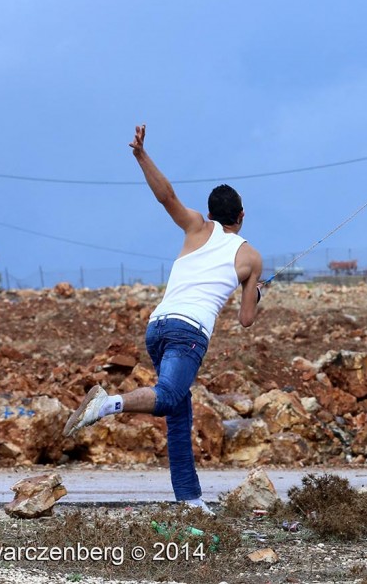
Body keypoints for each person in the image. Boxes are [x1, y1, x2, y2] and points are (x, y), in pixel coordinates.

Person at [64, 123, 264, 514]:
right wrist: (255, 289)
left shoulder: (195, 226)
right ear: (241, 216)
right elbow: (245, 319)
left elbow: (166, 196)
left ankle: (190, 501)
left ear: (209, 213)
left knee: (178, 411)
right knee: (171, 396)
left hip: (157, 326)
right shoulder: (251, 257)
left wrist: (140, 155)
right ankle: (107, 405)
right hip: (189, 333)